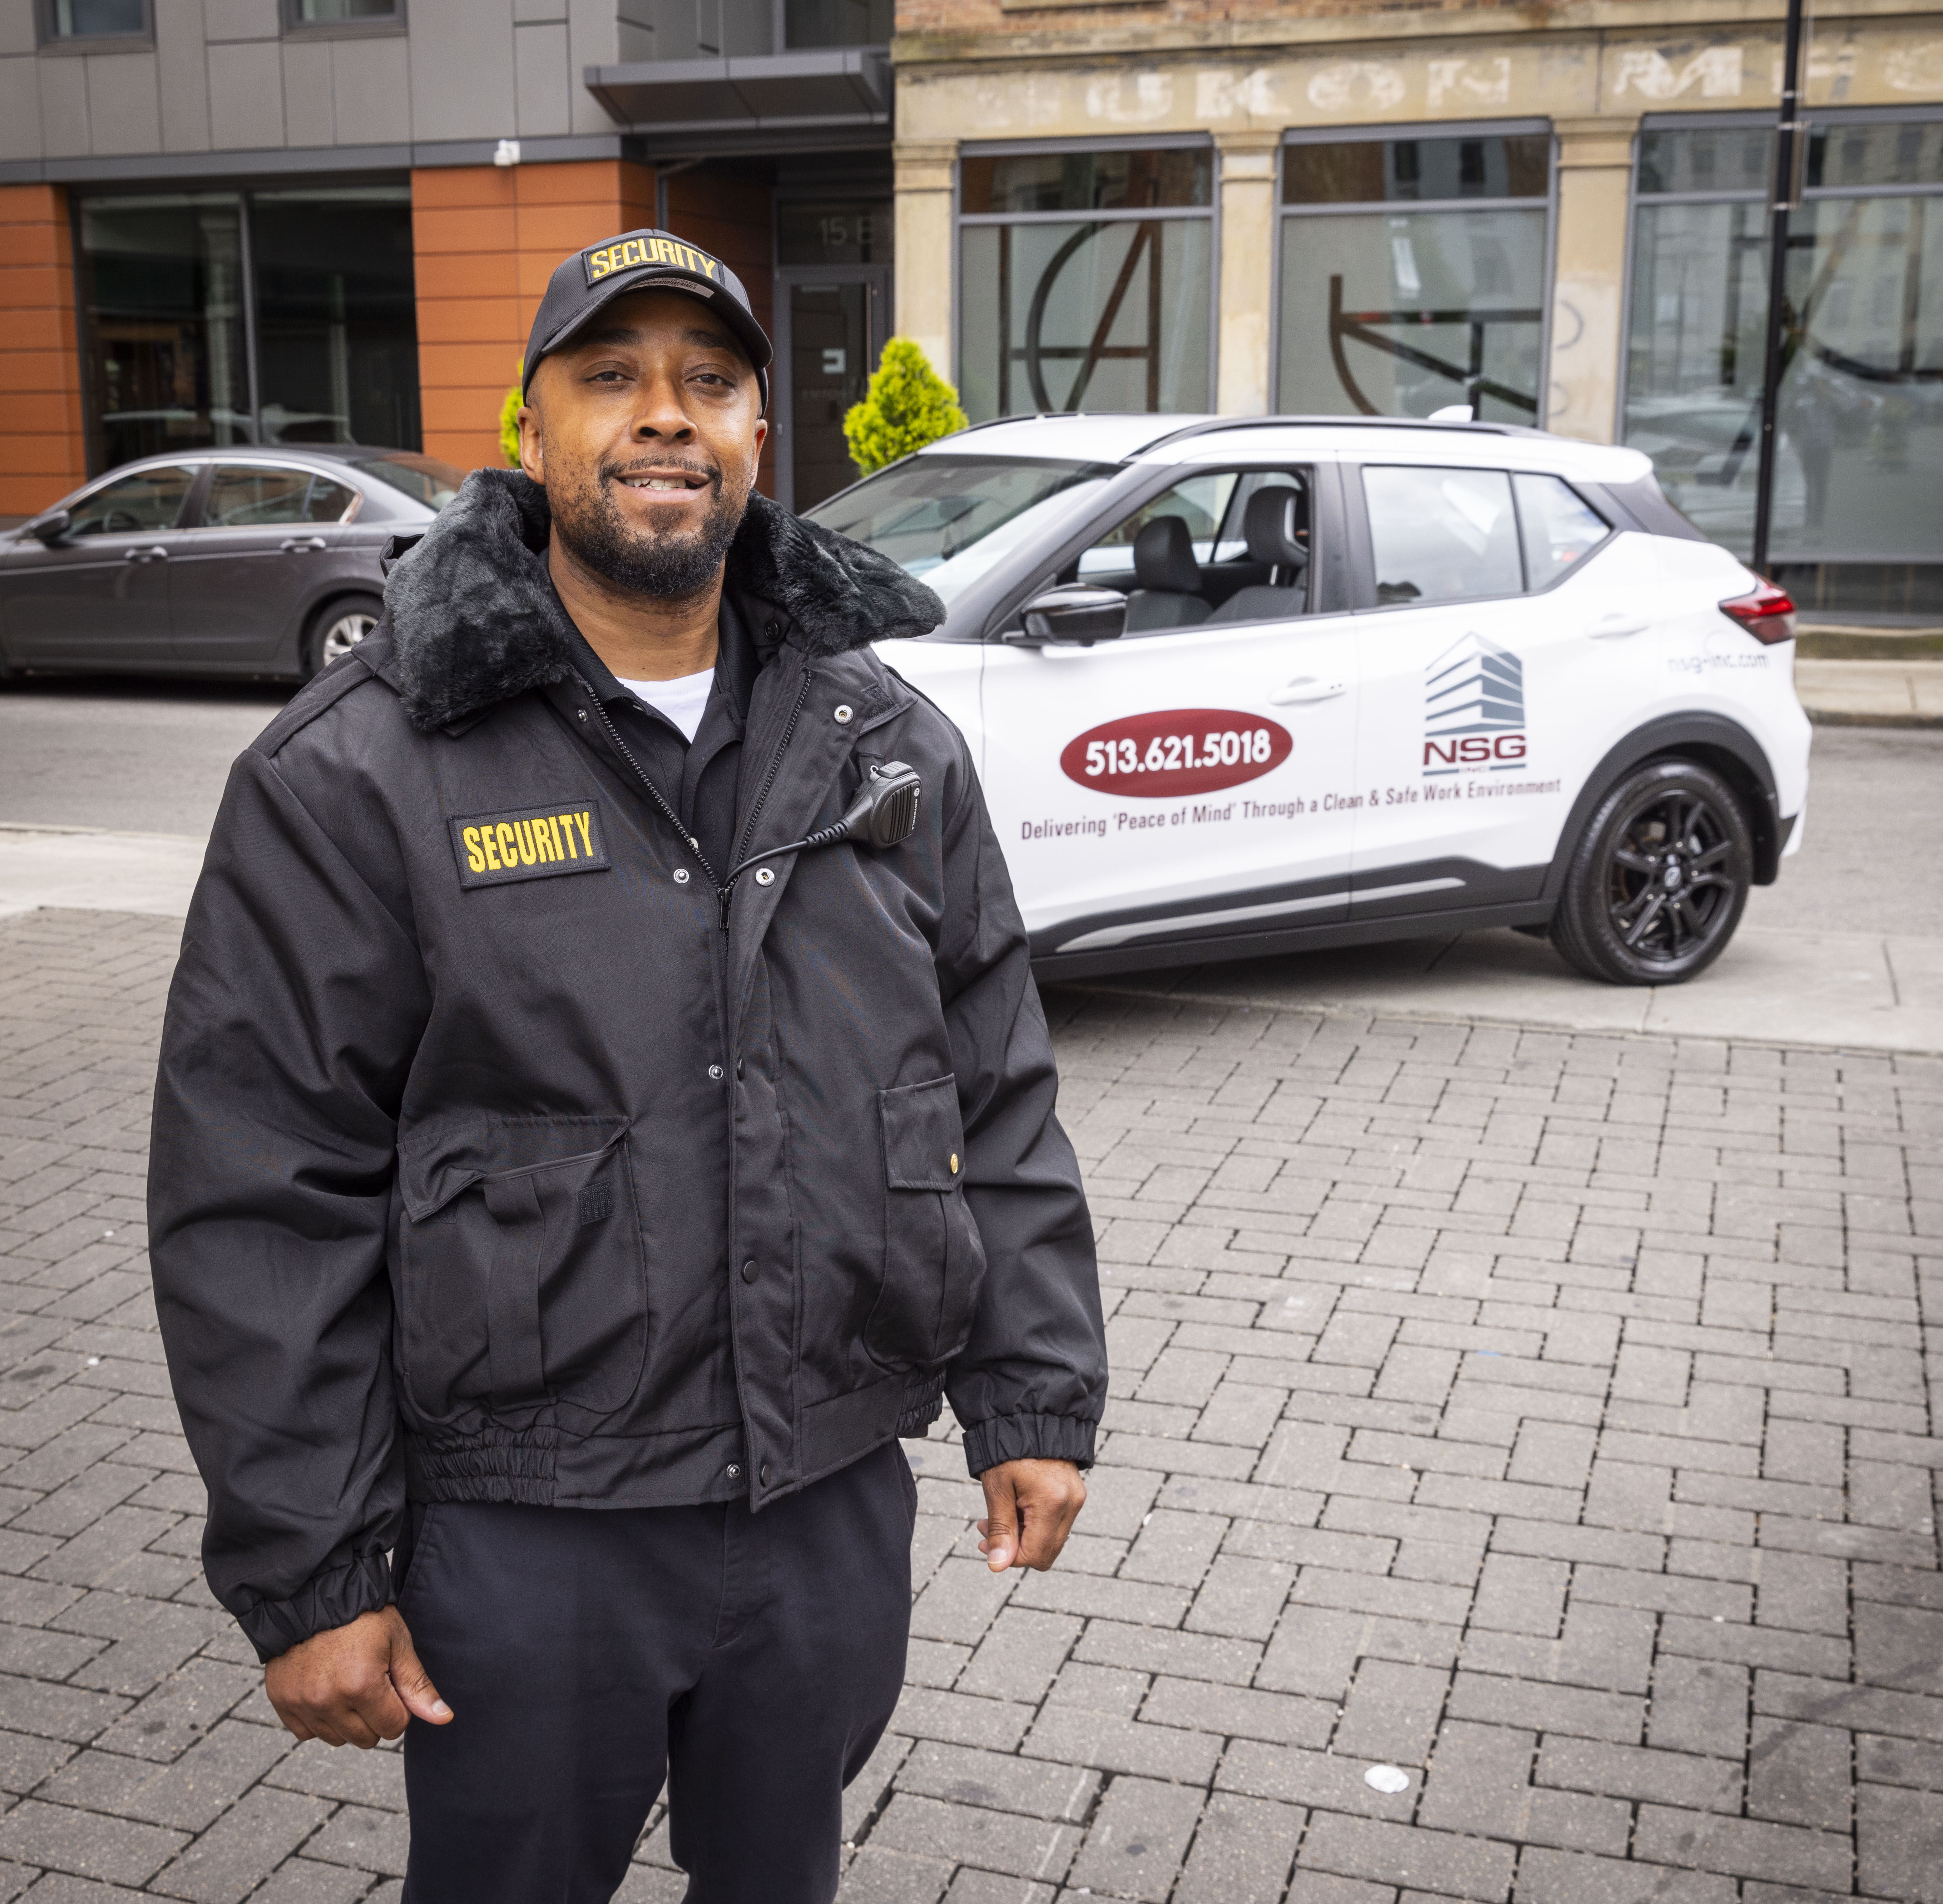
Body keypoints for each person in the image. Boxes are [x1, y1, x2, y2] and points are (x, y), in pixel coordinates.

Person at [148, 227, 1107, 1904]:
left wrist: (1028, 1392)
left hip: (823, 1504)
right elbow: (262, 1185)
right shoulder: (358, 772)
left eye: (709, 381)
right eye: (612, 376)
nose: (666, 414)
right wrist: (313, 1569)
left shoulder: (886, 747)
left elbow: (989, 1082)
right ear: (532, 433)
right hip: (529, 1536)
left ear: (756, 439)